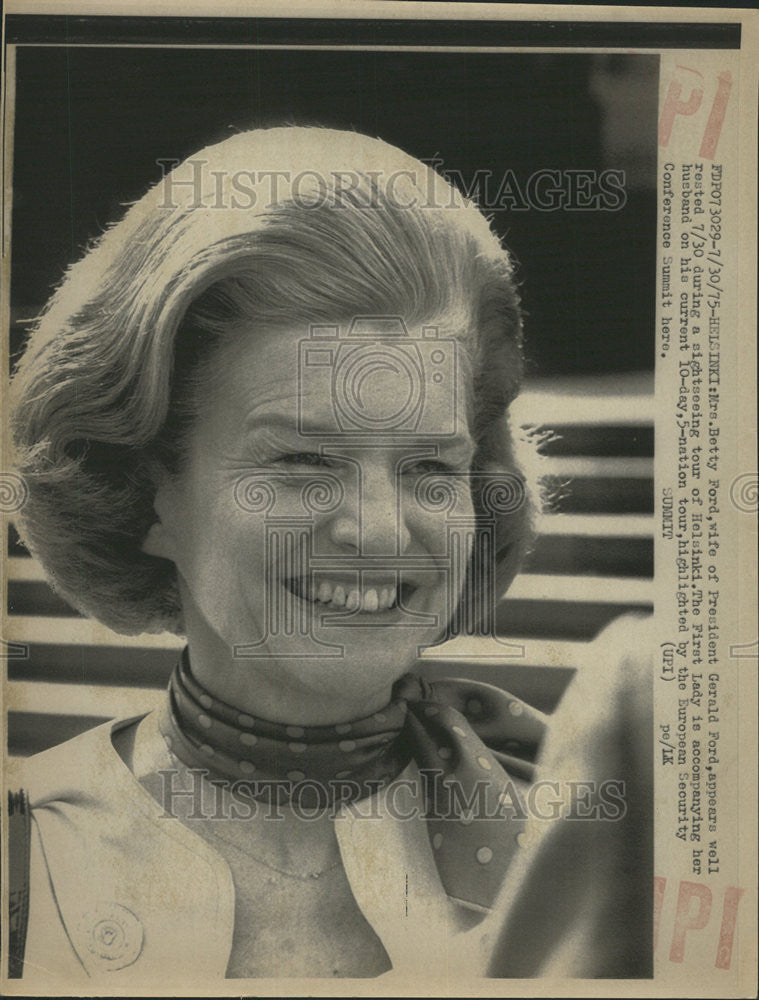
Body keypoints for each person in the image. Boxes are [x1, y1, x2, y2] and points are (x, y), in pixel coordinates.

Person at [8, 126, 651, 985]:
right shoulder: (29, 850)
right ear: (141, 491)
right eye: (303, 463)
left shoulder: (590, 838)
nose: (381, 532)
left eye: (428, 467)